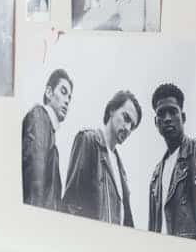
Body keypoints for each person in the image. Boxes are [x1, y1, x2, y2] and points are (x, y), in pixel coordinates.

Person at [61, 90, 142, 226]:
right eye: (126, 118)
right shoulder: (88, 140)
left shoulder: (120, 168)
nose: (128, 128)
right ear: (111, 110)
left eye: (132, 126)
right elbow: (71, 204)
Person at [148, 84, 196, 240]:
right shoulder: (156, 176)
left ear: (183, 117)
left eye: (173, 111)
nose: (167, 118)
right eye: (161, 114)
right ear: (156, 122)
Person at [22, 69, 73, 211]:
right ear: (49, 93)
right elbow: (35, 181)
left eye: (70, 97)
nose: (67, 100)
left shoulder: (50, 134)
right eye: (63, 92)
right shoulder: (39, 116)